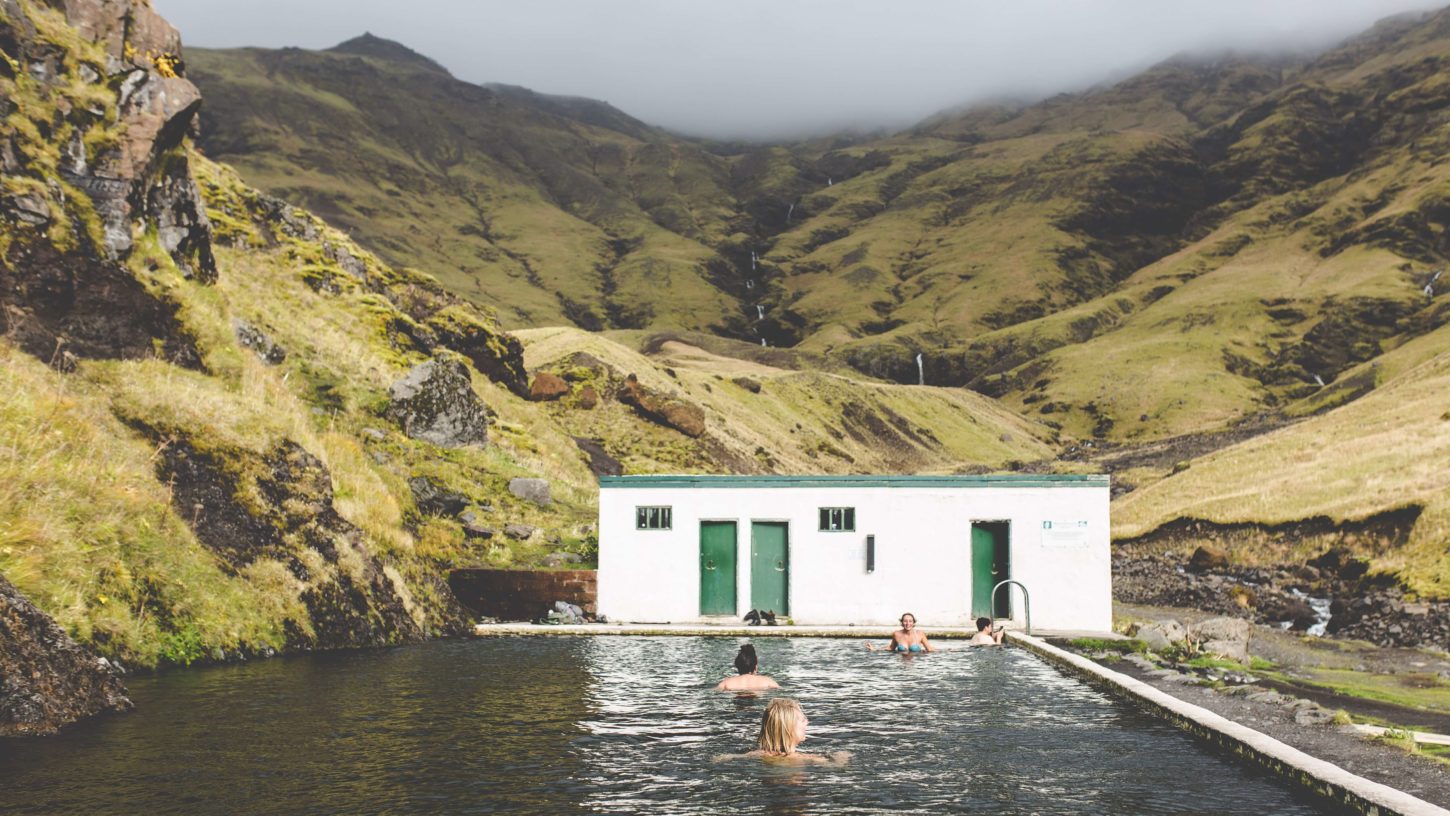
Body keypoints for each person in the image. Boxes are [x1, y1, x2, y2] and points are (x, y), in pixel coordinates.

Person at [722, 698, 848, 765]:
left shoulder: (754, 755)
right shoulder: (805, 758)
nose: (807, 722)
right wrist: (843, 756)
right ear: (788, 728)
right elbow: (836, 766)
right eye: (802, 719)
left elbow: (722, 758)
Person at [716, 644, 781, 691]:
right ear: (756, 667)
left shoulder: (727, 683)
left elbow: (715, 691)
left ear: (737, 666)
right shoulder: (767, 681)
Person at [866, 612, 934, 652]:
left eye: (910, 621)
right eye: (905, 621)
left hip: (916, 666)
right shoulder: (896, 634)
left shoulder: (920, 634)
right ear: (902, 622)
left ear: (913, 623)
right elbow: (891, 647)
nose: (908, 623)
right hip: (901, 666)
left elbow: (929, 649)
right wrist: (875, 649)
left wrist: (943, 651)